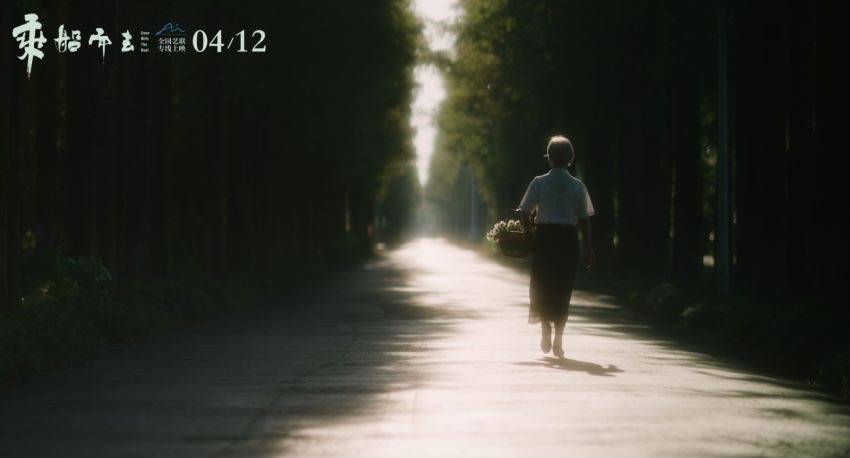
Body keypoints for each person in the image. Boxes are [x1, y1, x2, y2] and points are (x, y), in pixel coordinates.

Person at [517, 135, 595, 357]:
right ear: (571, 159)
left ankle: (545, 328)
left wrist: (529, 233)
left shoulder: (539, 182)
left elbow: (524, 212)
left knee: (542, 286)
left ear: (549, 158)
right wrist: (589, 249)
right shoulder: (578, 187)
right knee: (563, 288)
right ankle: (559, 337)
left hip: (545, 240)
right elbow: (584, 221)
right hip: (568, 240)